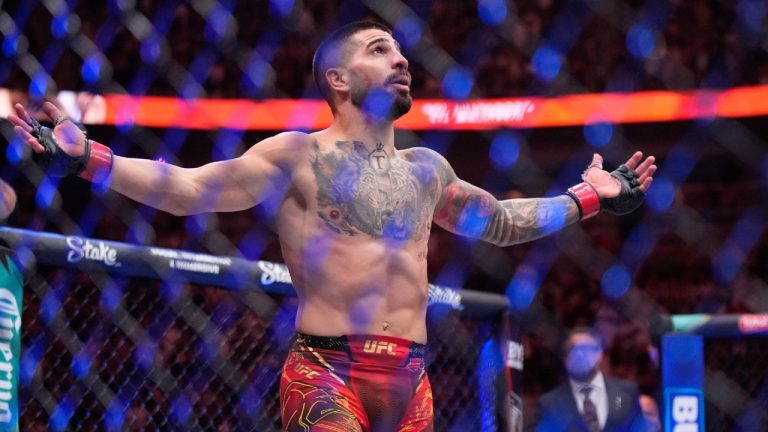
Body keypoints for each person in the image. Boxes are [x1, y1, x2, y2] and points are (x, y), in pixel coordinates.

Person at [9, 20, 656, 432]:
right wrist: (90, 160)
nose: (402, 59)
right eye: (381, 50)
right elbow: (190, 189)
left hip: (414, 377)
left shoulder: (428, 169)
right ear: (339, 78)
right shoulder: (297, 154)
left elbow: (503, 223)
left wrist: (585, 198)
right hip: (328, 373)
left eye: (402, 50)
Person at [531, 327, 647, 432]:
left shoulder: (626, 392)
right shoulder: (549, 403)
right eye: (573, 349)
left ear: (599, 354)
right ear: (565, 358)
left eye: (585, 349)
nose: (580, 354)